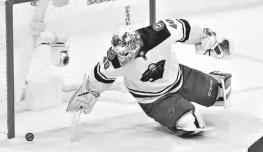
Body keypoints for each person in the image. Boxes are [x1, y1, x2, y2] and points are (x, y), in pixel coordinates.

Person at [66, 19, 234, 137]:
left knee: (219, 93)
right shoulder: (114, 60)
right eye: (119, 53)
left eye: (125, 54)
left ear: (136, 45)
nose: (121, 58)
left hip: (179, 77)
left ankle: (208, 84)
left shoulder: (160, 33)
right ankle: (177, 114)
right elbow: (99, 77)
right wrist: (90, 93)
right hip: (153, 99)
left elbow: (186, 29)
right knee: (190, 121)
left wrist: (208, 40)